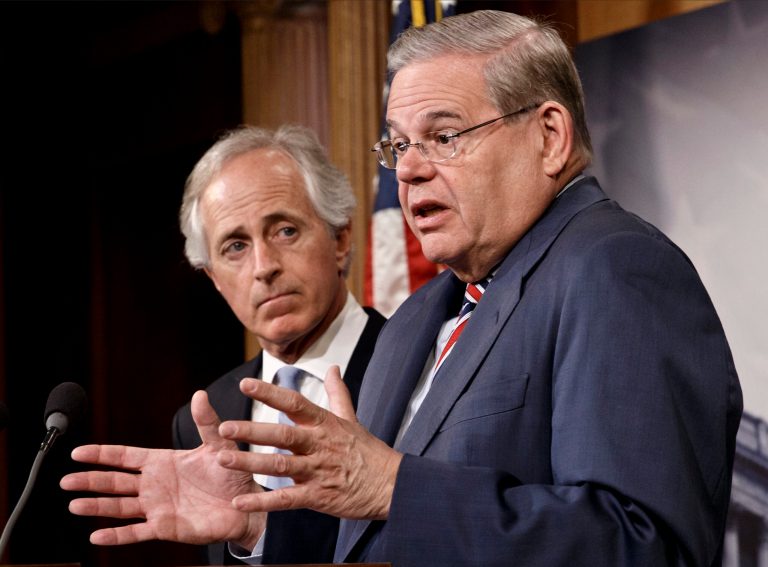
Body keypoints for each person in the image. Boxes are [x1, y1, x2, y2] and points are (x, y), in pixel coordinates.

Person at [63, 10, 741, 566]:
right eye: (396, 146)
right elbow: (368, 534)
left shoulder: (614, 269)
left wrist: (394, 483)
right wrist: (254, 525)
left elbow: (645, 545)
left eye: (443, 136)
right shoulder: (420, 315)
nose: (410, 169)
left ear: (550, 136)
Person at [62, 124, 385, 564]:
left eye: (285, 231)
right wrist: (255, 530)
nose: (263, 267)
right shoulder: (205, 415)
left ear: (341, 238)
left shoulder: (417, 359)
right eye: (235, 246)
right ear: (213, 278)